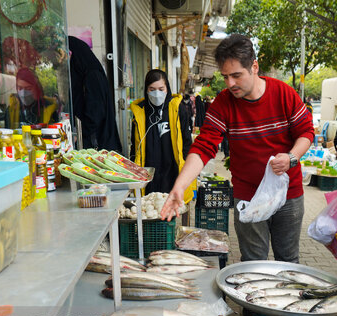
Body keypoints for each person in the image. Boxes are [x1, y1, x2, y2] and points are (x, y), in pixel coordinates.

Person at [160, 34, 314, 263]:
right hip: (247, 196)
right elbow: (204, 146)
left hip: (287, 194)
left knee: (288, 260)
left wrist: (292, 157)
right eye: (225, 77)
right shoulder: (223, 103)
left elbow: (306, 132)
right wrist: (179, 186)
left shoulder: (283, 93)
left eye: (236, 75)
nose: (230, 83)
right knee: (253, 262)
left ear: (254, 67)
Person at [129, 69, 194, 200]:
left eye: (161, 89)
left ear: (167, 88)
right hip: (147, 172)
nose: (156, 93)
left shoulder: (177, 108)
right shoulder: (140, 111)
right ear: (146, 90)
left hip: (172, 171)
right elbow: (135, 145)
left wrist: (187, 170)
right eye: (152, 89)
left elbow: (187, 141)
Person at [68, 35, 122, 152]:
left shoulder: (92, 75)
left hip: (98, 145)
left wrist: (79, 135)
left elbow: (95, 114)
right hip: (95, 143)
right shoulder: (85, 73)